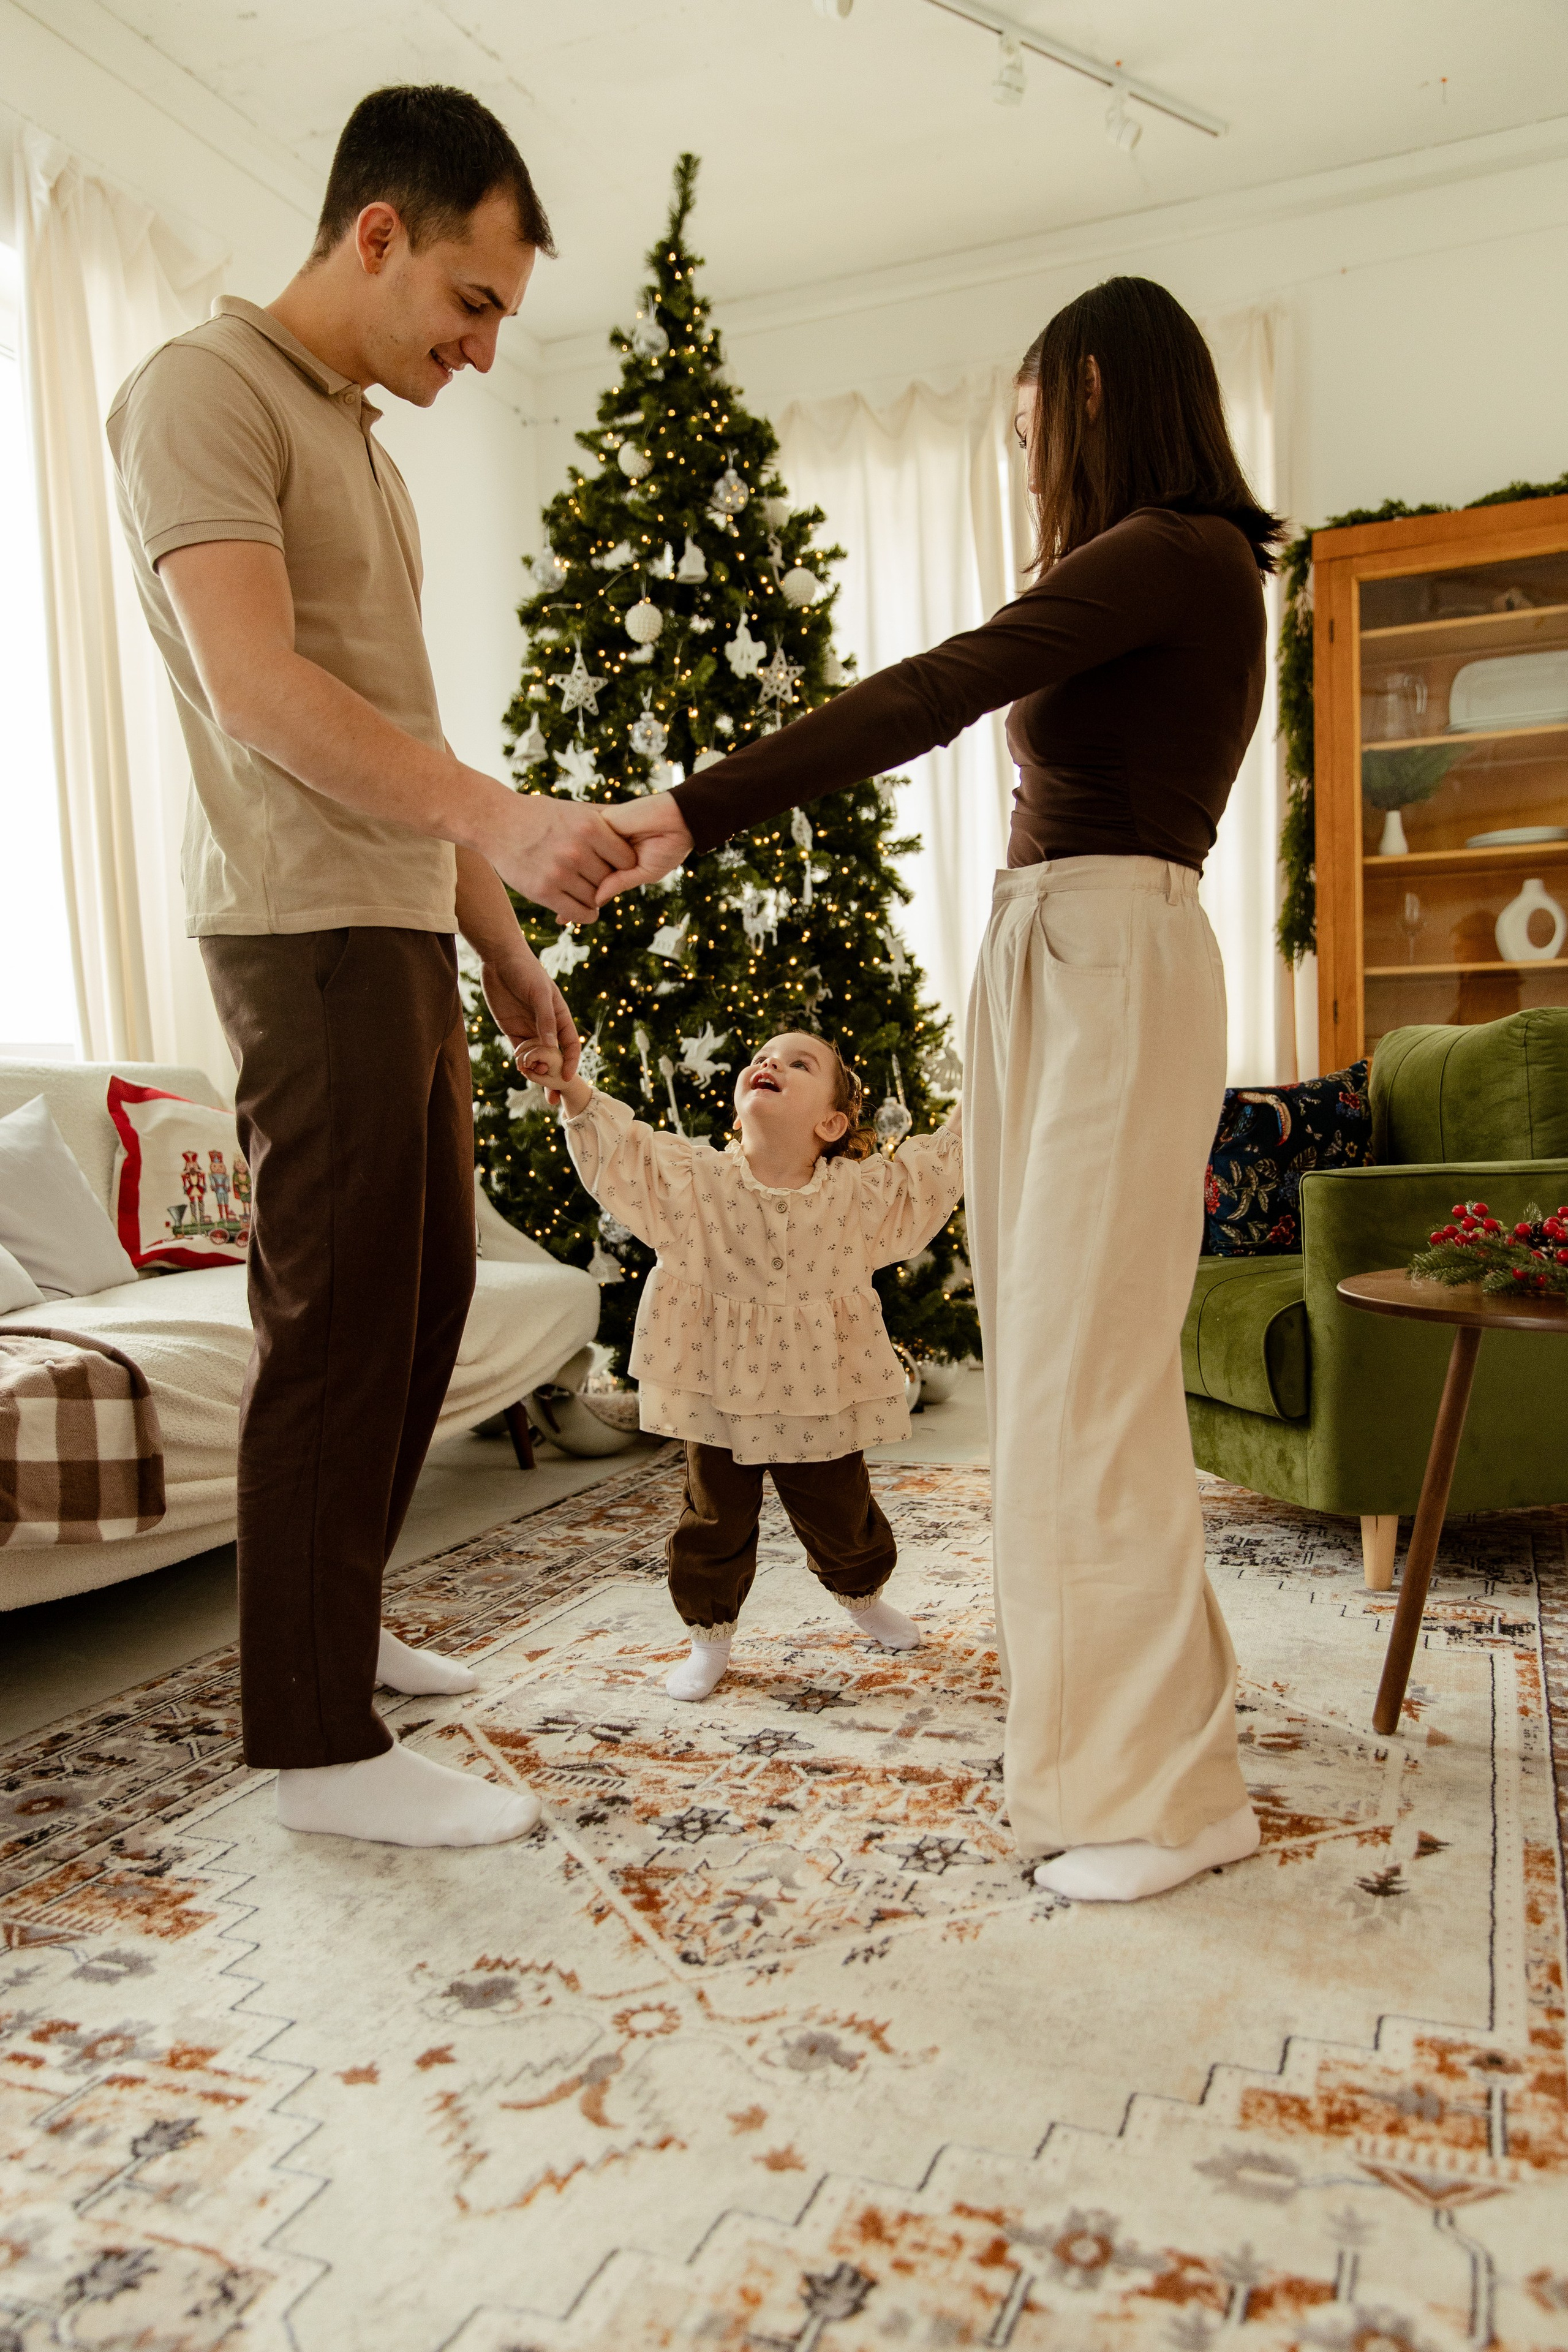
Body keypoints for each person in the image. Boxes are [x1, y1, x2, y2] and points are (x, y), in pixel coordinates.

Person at [596, 277, 1283, 1903]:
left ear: (1104, 392)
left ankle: (1164, 1807)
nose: (1028, 451)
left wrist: (692, 809)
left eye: (1038, 420)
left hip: (1109, 955)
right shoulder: (1144, 564)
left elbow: (937, 685)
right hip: (1056, 951)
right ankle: (1147, 1752)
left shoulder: (1178, 550)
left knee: (1081, 1392)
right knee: (1063, 1376)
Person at [107, 85, 636, 1850]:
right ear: (378, 233)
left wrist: (504, 948)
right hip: (302, 923)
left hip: (397, 920)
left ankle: (339, 1626)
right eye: (472, 303)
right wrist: (506, 822)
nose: (482, 349)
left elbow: (399, 727)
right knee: (334, 1328)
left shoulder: (364, 448)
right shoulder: (203, 391)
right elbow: (259, 689)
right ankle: (316, 1749)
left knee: (419, 1307)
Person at [521, 1030, 963, 1703]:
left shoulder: (857, 1195)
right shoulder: (697, 1181)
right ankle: (709, 1636)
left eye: (798, 1063)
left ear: (831, 1123)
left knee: (843, 1517)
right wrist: (572, 1088)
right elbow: (628, 1157)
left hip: (817, 1392)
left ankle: (863, 1595)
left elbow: (924, 1178)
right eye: (761, 1058)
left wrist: (980, 1097)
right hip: (719, 1389)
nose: (770, 1063)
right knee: (713, 1519)